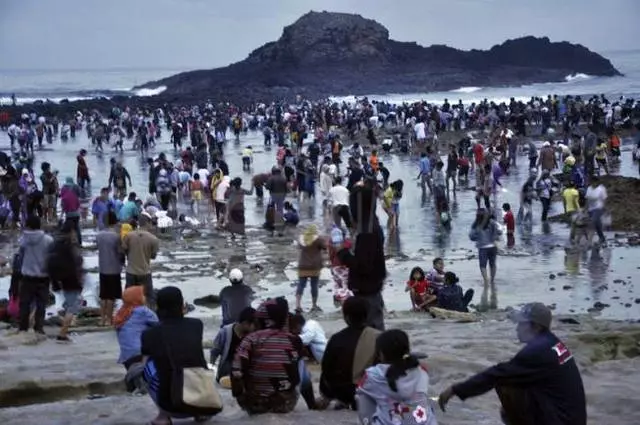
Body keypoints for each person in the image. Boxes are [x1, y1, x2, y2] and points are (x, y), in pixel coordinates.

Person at [438, 303, 586, 425]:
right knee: (513, 378)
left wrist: (454, 390)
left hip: (561, 420)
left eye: (522, 324)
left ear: (536, 327)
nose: (517, 328)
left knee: (505, 383)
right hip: (572, 418)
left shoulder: (537, 352)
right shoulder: (553, 343)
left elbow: (496, 374)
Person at [142, 286, 216, 424]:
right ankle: (199, 414)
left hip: (172, 405)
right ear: (182, 304)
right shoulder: (196, 325)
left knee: (144, 367)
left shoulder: (149, 334)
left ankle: (163, 416)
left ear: (158, 307)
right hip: (201, 400)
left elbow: (145, 360)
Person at [231, 297, 303, 414]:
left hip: (255, 402)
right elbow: (296, 373)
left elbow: (236, 370)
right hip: (284, 401)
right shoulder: (295, 340)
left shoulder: (250, 339)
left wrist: (240, 393)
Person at [356, 329, 438, 425]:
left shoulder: (373, 375)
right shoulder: (421, 370)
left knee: (362, 397)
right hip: (427, 423)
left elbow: (360, 392)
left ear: (380, 354)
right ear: (407, 350)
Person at [338, 182, 387, 331]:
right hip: (372, 288)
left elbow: (363, 265)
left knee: (370, 333)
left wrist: (343, 254)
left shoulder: (367, 232)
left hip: (368, 292)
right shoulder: (371, 224)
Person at [318, 297, 381, 410]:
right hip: (369, 389)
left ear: (345, 317)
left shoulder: (336, 338)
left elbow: (326, 368)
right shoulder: (378, 337)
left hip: (341, 392)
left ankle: (338, 400)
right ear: (367, 315)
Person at [115, 286, 158, 392]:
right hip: (139, 354)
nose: (144, 297)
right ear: (137, 299)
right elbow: (159, 326)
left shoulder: (121, 312)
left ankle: (135, 383)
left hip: (126, 356)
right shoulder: (143, 311)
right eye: (142, 295)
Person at [17, 215, 53, 335]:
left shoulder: (23, 240)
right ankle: (39, 328)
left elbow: (20, 257)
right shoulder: (48, 240)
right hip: (43, 276)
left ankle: (23, 328)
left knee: (25, 304)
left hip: (27, 276)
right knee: (41, 304)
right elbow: (51, 258)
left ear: (28, 226)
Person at [49, 220, 84, 342]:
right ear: (71, 232)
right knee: (72, 307)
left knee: (69, 303)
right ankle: (63, 333)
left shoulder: (57, 244)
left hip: (62, 278)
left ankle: (63, 328)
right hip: (72, 279)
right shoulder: (70, 246)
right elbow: (77, 262)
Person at [210, 307, 256, 385]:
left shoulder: (253, 334)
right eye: (254, 324)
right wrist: (211, 368)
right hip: (229, 366)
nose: (255, 327)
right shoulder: (225, 331)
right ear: (245, 323)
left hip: (246, 366)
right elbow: (215, 350)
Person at [122, 217, 160, 307]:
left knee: (129, 297)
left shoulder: (129, 236)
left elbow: (123, 250)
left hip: (131, 271)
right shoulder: (153, 239)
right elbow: (153, 256)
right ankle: (148, 316)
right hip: (145, 272)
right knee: (147, 297)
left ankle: (129, 316)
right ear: (148, 223)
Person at [96, 211, 124, 326]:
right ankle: (109, 319)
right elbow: (120, 252)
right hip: (114, 268)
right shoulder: (116, 236)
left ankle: (102, 319)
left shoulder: (99, 235)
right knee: (111, 296)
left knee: (103, 295)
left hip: (103, 267)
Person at [296, 224, 327, 312]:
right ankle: (314, 305)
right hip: (314, 266)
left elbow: (299, 247)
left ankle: (298, 305)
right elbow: (325, 247)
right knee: (314, 285)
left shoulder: (301, 238)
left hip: (303, 265)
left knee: (301, 285)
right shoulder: (318, 239)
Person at [469, 209, 502, 287]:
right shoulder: (492, 222)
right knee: (492, 264)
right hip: (493, 246)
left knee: (483, 265)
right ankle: (492, 280)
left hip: (482, 247)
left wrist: (478, 236)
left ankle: (486, 281)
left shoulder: (476, 224)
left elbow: (472, 236)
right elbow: (500, 231)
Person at [585, 176, 608, 246]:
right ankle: (602, 238)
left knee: (593, 221)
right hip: (591, 209)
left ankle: (588, 239)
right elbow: (587, 199)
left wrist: (604, 207)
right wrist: (585, 209)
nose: (592, 184)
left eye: (593, 182)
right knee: (597, 225)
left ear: (596, 182)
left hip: (599, 208)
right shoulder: (589, 188)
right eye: (591, 182)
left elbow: (604, 198)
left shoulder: (601, 188)